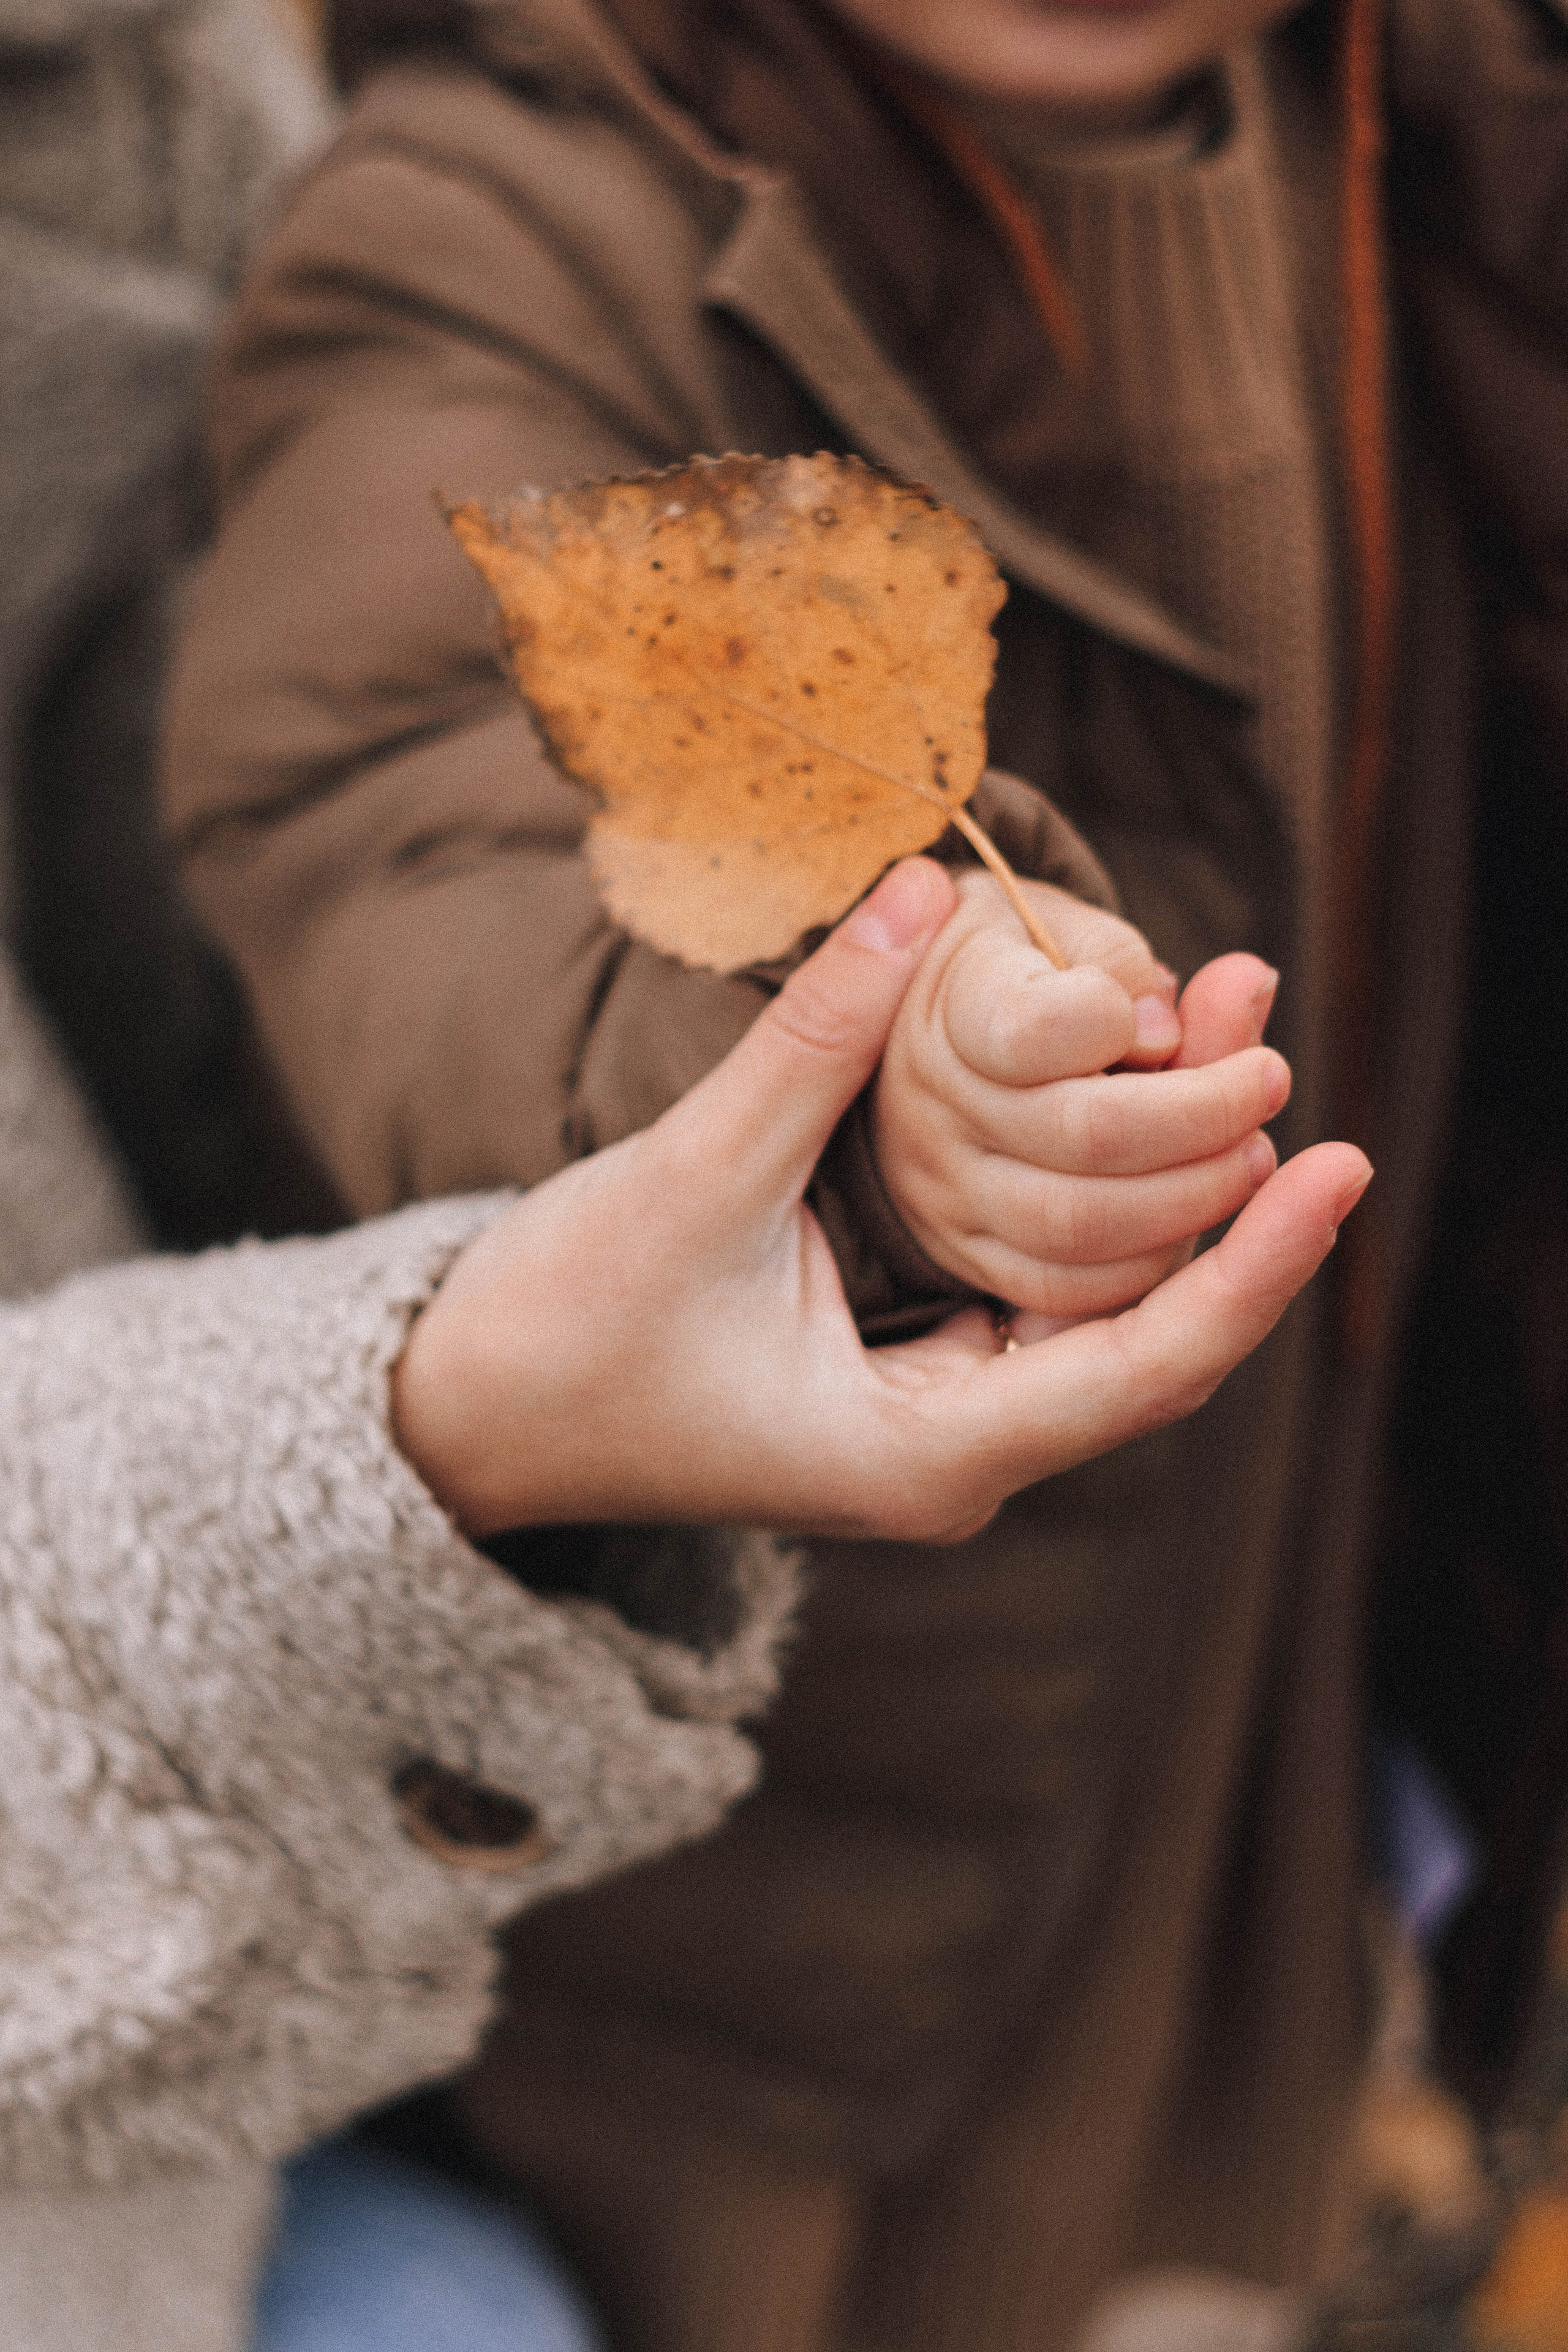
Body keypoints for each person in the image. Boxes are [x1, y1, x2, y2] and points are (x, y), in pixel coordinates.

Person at [159, 0, 1568, 2341]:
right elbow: (404, 828)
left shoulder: (1449, 162)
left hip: (1291, 1647)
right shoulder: (495, 226)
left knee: (1208, 2189)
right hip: (782, 1884)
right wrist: (856, 1103)